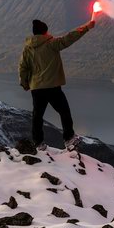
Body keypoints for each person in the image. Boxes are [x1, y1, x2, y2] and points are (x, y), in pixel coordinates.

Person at [19, 19, 95, 151]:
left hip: (36, 88)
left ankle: (38, 143)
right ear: (44, 32)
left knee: (37, 116)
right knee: (64, 112)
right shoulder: (51, 44)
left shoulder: (27, 48)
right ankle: (69, 139)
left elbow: (23, 67)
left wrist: (25, 83)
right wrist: (87, 27)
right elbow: (69, 38)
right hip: (52, 87)